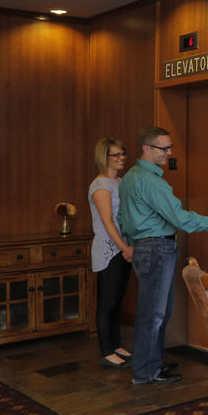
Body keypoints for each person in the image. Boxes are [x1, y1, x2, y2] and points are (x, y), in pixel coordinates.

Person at [118, 126, 208, 385]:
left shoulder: (130, 177)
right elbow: (181, 219)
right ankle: (146, 372)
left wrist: (131, 245)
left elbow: (124, 219)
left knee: (157, 312)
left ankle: (151, 364)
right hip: (156, 248)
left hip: (144, 247)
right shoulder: (150, 182)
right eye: (163, 148)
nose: (169, 153)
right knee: (154, 314)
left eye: (170, 147)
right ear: (146, 148)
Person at [88, 137, 134, 369]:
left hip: (124, 247)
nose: (122, 158)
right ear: (104, 158)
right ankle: (106, 351)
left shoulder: (121, 181)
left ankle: (116, 345)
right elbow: (108, 222)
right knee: (107, 301)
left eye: (123, 153)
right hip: (109, 249)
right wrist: (124, 247)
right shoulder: (101, 186)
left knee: (117, 301)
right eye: (116, 155)